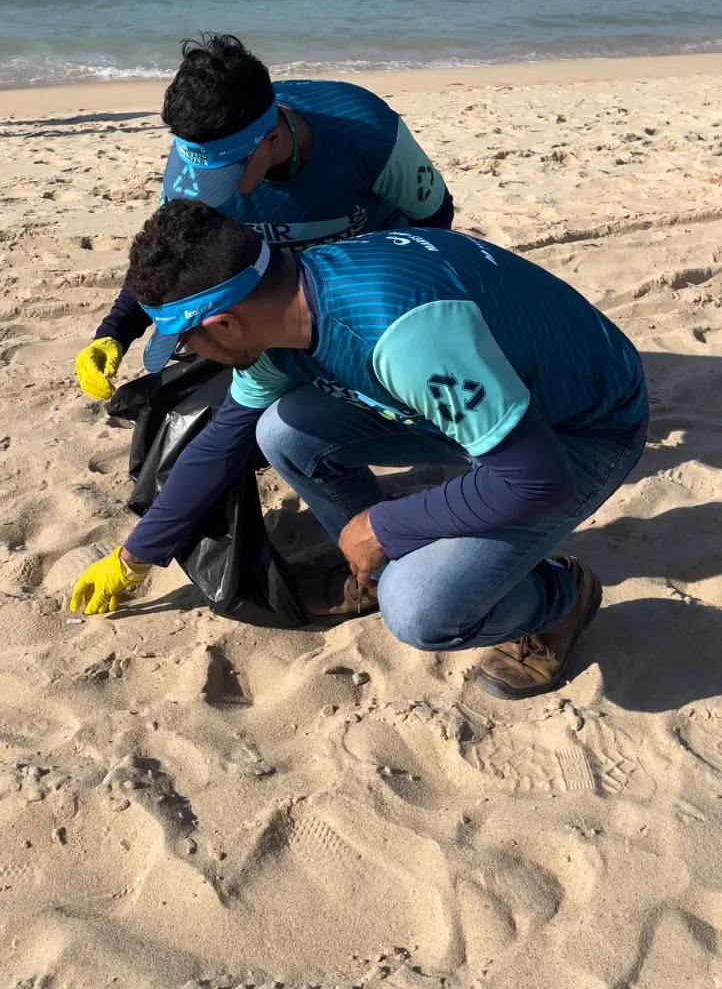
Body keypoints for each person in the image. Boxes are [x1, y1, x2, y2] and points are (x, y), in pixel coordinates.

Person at [70, 202, 648, 700]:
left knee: (419, 608)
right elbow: (223, 441)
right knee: (281, 432)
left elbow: (535, 478)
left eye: (185, 343)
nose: (186, 355)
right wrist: (134, 557)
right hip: (493, 399)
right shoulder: (281, 302)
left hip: (579, 429)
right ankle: (388, 561)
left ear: (223, 325)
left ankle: (562, 597)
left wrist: (383, 524)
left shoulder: (400, 336)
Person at [75, 35, 453, 401]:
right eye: (203, 172)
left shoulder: (368, 131)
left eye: (226, 175)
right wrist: (114, 334)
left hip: (371, 279)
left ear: (271, 138)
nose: (205, 193)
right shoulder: (189, 172)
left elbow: (434, 219)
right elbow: (171, 263)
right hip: (270, 295)